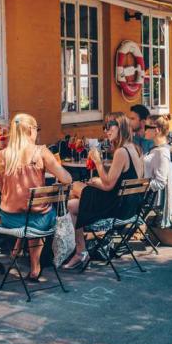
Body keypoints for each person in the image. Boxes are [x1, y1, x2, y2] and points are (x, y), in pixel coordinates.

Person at [0, 113, 72, 281]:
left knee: (27, 214)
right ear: (30, 130)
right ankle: (35, 267)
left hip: (8, 220)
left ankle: (17, 248)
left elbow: (3, 189)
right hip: (38, 221)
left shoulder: (0, 155)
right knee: (39, 213)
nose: (37, 132)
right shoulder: (41, 152)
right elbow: (67, 179)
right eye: (36, 128)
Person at [63, 112, 145, 270]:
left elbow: (108, 185)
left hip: (115, 208)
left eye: (110, 126)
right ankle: (80, 251)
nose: (106, 130)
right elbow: (117, 182)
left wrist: (98, 162)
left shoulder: (121, 152)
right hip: (129, 207)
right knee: (71, 205)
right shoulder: (136, 148)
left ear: (120, 127)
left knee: (75, 186)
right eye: (104, 127)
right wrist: (98, 181)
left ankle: (77, 249)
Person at [143, 114, 172, 192]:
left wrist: (140, 184)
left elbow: (161, 183)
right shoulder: (156, 148)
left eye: (146, 127)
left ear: (157, 130)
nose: (144, 130)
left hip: (147, 199)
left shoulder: (162, 152)